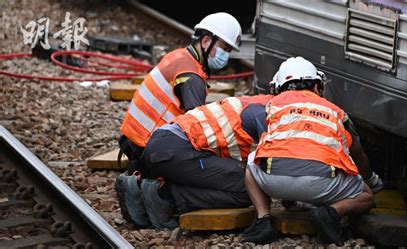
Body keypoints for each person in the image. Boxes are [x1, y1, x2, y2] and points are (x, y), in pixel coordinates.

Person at [242, 57, 383, 244]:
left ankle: (263, 220)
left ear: (279, 87)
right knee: (366, 196)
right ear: (317, 86)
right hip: (324, 186)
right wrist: (370, 179)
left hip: (274, 183)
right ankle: (332, 212)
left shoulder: (273, 106)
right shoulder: (336, 112)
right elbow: (357, 153)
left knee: (253, 161)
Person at [115, 94, 273, 229]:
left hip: (164, 145)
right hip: (176, 150)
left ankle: (143, 191)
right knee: (247, 187)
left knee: (233, 175)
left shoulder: (256, 102)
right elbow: (272, 158)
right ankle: (164, 196)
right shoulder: (265, 111)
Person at [118, 12, 242, 175]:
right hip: (148, 149)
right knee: (218, 169)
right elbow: (198, 128)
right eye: (224, 48)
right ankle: (155, 190)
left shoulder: (180, 56)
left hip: (133, 139)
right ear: (206, 41)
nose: (226, 55)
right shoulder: (192, 77)